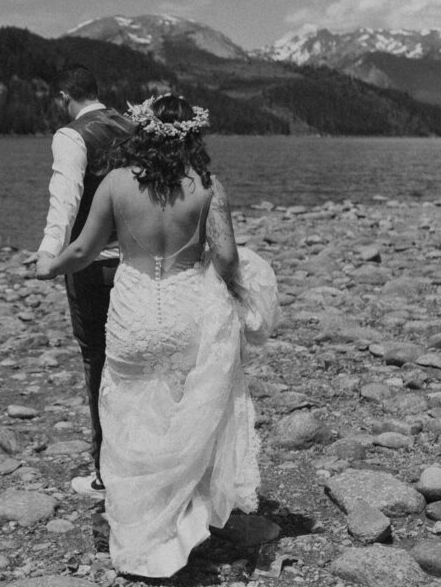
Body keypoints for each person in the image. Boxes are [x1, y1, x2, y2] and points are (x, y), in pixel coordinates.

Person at [37, 93, 275, 578]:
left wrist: (49, 265)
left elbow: (84, 247)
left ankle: (139, 527)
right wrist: (232, 287)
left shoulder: (117, 183)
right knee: (183, 411)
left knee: (127, 411)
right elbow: (227, 258)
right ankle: (181, 522)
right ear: (194, 135)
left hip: (133, 310)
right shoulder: (207, 185)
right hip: (187, 307)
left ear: (143, 131)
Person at [34, 64, 135, 497]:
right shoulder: (133, 126)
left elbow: (66, 196)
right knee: (137, 362)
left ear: (64, 97)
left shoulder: (71, 135)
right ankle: (145, 463)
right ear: (98, 91)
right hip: (139, 261)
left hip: (91, 265)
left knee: (98, 361)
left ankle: (104, 472)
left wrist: (47, 253)